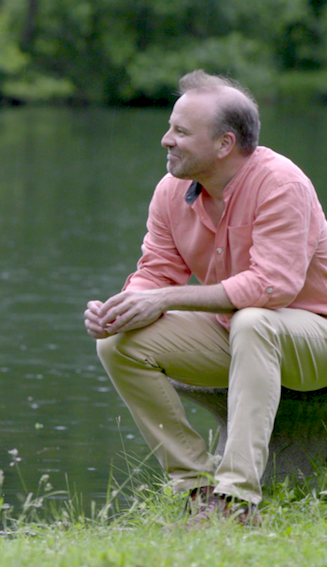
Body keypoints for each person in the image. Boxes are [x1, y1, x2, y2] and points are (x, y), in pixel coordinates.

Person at [85, 69, 327, 527]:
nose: (166, 140)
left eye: (180, 131)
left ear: (224, 144)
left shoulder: (282, 184)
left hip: (314, 337)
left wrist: (167, 299)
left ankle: (237, 500)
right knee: (119, 342)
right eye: (170, 127)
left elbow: (273, 287)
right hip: (238, 333)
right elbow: (155, 272)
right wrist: (122, 308)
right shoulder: (170, 191)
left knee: (255, 320)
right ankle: (197, 488)